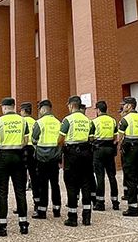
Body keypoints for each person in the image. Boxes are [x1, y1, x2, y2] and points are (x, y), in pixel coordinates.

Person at [0, 97, 29, 236]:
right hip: (18, 156)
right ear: (14, 106)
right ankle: (23, 224)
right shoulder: (22, 121)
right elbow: (26, 141)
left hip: (3, 157)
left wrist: (3, 147)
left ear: (4, 107)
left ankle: (2, 226)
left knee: (1, 191)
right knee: (20, 191)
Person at [58, 96, 94, 227]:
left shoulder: (68, 120)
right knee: (86, 183)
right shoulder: (88, 121)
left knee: (71, 184)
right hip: (86, 153)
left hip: (72, 154)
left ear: (71, 106)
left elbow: (60, 139)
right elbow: (91, 138)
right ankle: (86, 217)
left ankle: (72, 217)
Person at [117, 97, 138, 216]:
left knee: (131, 177)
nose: (123, 107)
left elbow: (119, 138)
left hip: (130, 149)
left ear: (130, 106)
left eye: (124, 105)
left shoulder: (125, 119)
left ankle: (133, 208)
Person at [30, 99, 62, 219]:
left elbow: (33, 139)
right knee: (55, 184)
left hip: (42, 158)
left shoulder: (39, 122)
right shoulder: (58, 122)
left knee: (43, 185)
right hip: (54, 157)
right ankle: (57, 210)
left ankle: (42, 211)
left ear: (43, 109)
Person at [91, 100, 119, 212]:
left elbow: (91, 138)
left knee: (100, 176)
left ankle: (100, 203)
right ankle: (115, 202)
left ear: (98, 110)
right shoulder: (113, 121)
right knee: (112, 176)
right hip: (110, 150)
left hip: (98, 150)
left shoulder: (95, 121)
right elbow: (116, 137)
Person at [19, 101, 37, 201]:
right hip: (33, 150)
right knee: (34, 177)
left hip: (23, 149)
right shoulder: (35, 122)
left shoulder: (20, 122)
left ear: (23, 111)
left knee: (21, 178)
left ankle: (22, 204)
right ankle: (37, 202)